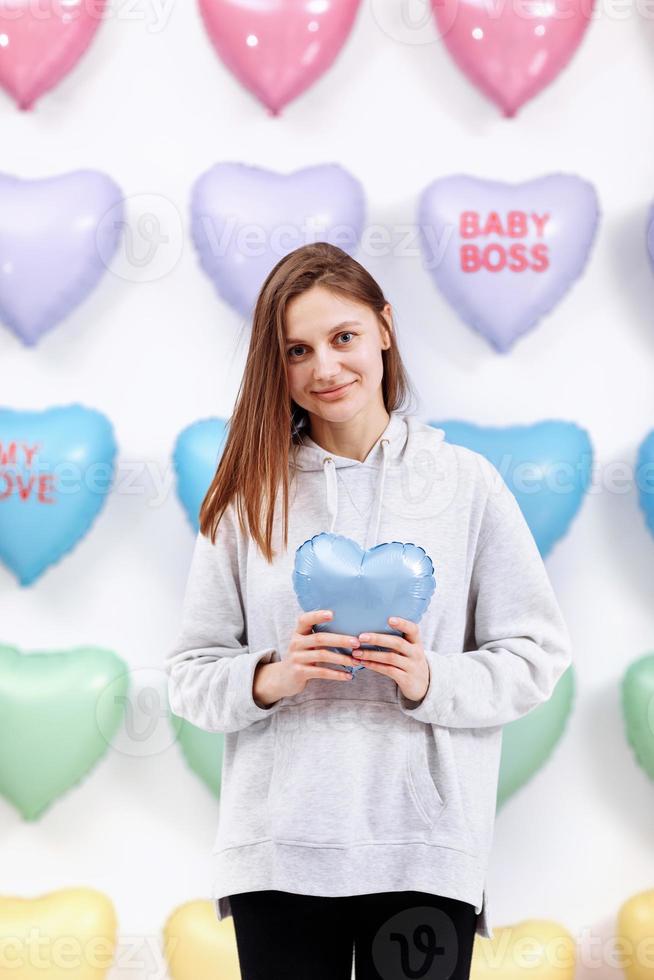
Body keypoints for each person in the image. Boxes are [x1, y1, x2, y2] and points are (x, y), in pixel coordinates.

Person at [165, 241, 573, 980]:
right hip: (280, 855)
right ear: (276, 366)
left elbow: (536, 654)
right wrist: (271, 676)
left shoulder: (467, 484)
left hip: (425, 849)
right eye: (297, 349)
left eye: (343, 337)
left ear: (385, 328)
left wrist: (429, 680)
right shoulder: (248, 496)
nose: (325, 368)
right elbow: (190, 673)